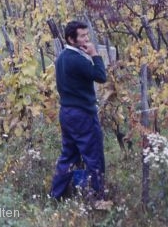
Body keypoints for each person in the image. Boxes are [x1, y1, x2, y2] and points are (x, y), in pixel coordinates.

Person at [50, 20, 108, 202]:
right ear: (70, 39)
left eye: (86, 35)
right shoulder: (77, 59)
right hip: (83, 114)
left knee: (68, 156)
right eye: (82, 36)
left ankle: (55, 196)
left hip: (67, 114)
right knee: (94, 157)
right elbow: (101, 77)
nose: (86, 39)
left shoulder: (62, 57)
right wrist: (95, 55)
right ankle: (98, 199)